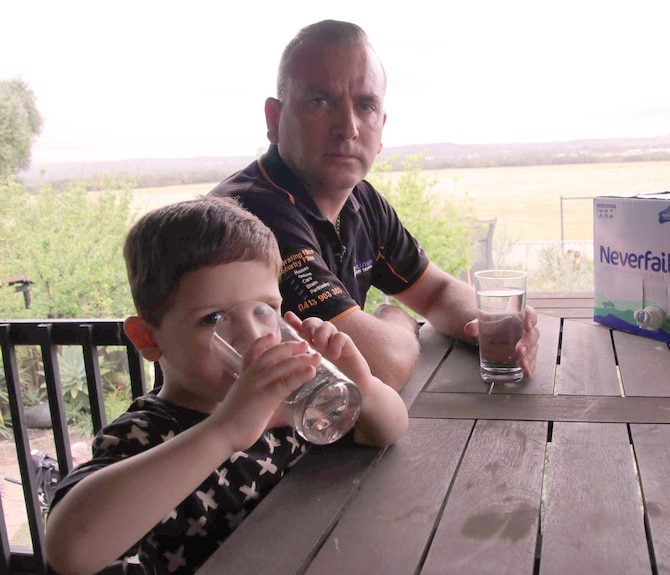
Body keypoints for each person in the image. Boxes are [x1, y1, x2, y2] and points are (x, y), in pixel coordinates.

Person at [44, 197, 408, 575]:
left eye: (263, 308)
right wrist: (226, 430)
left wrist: (360, 382)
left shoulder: (291, 401)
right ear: (148, 339)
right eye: (213, 318)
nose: (253, 335)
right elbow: (70, 551)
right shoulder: (146, 434)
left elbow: (389, 430)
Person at [209, 20, 539, 391]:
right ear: (274, 119)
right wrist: (395, 318)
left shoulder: (361, 202)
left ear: (380, 128)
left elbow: (435, 292)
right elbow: (383, 366)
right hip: (231, 443)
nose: (347, 127)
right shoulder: (248, 214)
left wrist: (499, 323)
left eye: (365, 106)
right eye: (320, 101)